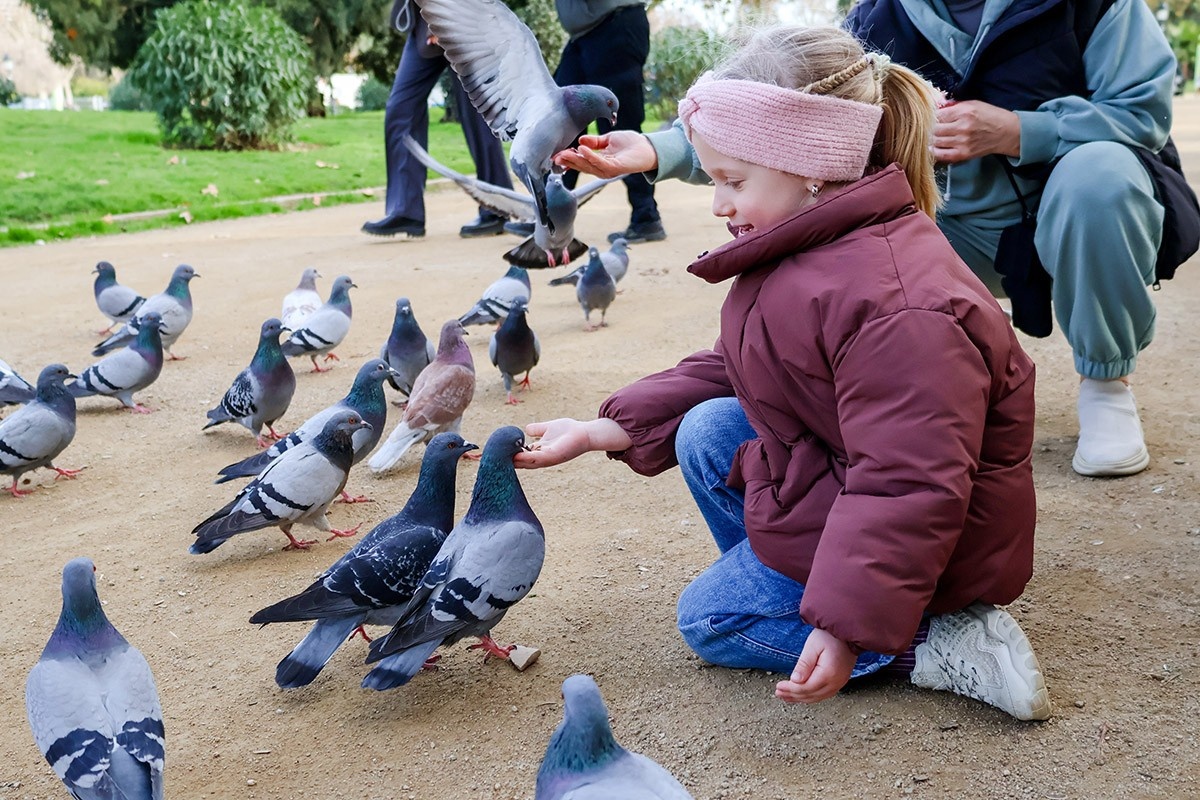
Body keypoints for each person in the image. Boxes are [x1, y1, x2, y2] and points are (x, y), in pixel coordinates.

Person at [519, 25, 1052, 721]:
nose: (718, 204)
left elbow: (908, 479)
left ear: (810, 162)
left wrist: (841, 625)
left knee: (710, 619)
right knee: (707, 427)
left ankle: (932, 635)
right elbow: (739, 366)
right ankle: (814, 589)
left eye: (732, 181)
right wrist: (603, 430)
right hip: (856, 481)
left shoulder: (899, 306)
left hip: (939, 541)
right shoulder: (814, 244)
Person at [558, 0, 1183, 479]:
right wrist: (659, 149)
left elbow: (1144, 115)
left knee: (1100, 178)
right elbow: (796, 115)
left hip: (1066, 215)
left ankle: (1106, 382)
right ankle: (867, 413)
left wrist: (1020, 130)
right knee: (826, 219)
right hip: (939, 224)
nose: (724, 206)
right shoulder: (877, 11)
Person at [362, 0, 512, 239]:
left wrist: (441, 22)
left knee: (477, 113)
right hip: (425, 22)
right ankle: (406, 209)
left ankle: (497, 208)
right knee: (401, 108)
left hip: (463, 19)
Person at [552, 0, 665, 244]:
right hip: (584, 35)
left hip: (615, 26)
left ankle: (646, 217)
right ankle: (551, 216)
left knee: (618, 127)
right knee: (561, 120)